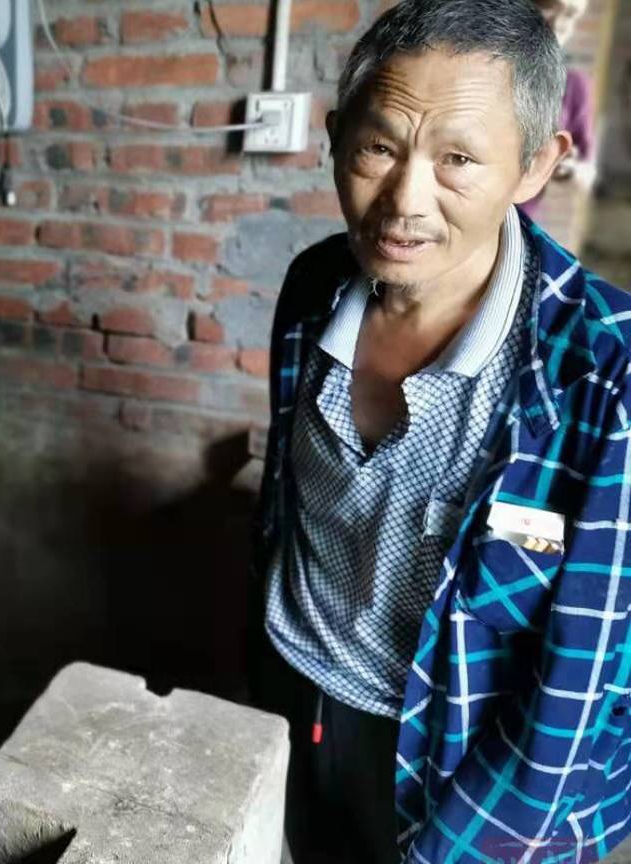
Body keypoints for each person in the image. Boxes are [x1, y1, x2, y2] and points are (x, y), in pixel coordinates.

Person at [251, 0, 631, 861]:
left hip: (457, 767)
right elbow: (284, 506)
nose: (403, 202)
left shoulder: (606, 374)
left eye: (457, 159)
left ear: (536, 166)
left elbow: (579, 687)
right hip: (296, 694)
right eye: (379, 148)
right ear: (337, 138)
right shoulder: (315, 289)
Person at [518, 0, 598, 220]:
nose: (558, 24)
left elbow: (587, 172)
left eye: (570, 15)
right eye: (547, 7)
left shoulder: (574, 85)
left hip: (517, 224)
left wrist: (568, 167)